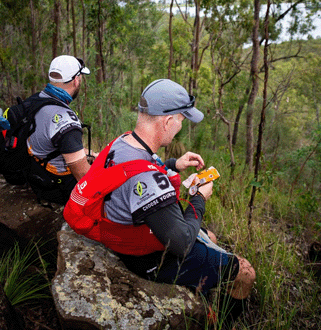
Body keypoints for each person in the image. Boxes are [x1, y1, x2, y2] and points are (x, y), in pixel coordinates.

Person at [64, 78, 255, 324]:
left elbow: (131, 171)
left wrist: (175, 164)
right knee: (245, 272)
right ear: (167, 121)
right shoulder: (148, 178)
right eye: (181, 121)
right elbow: (182, 243)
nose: (180, 127)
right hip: (147, 259)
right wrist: (198, 199)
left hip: (125, 235)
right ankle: (223, 323)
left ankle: (203, 300)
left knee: (212, 238)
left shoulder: (121, 143)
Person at [27, 55, 95, 205]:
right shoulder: (65, 121)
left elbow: (59, 144)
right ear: (76, 80)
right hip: (56, 186)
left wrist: (92, 154)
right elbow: (83, 175)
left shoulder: (37, 100)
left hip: (36, 171)